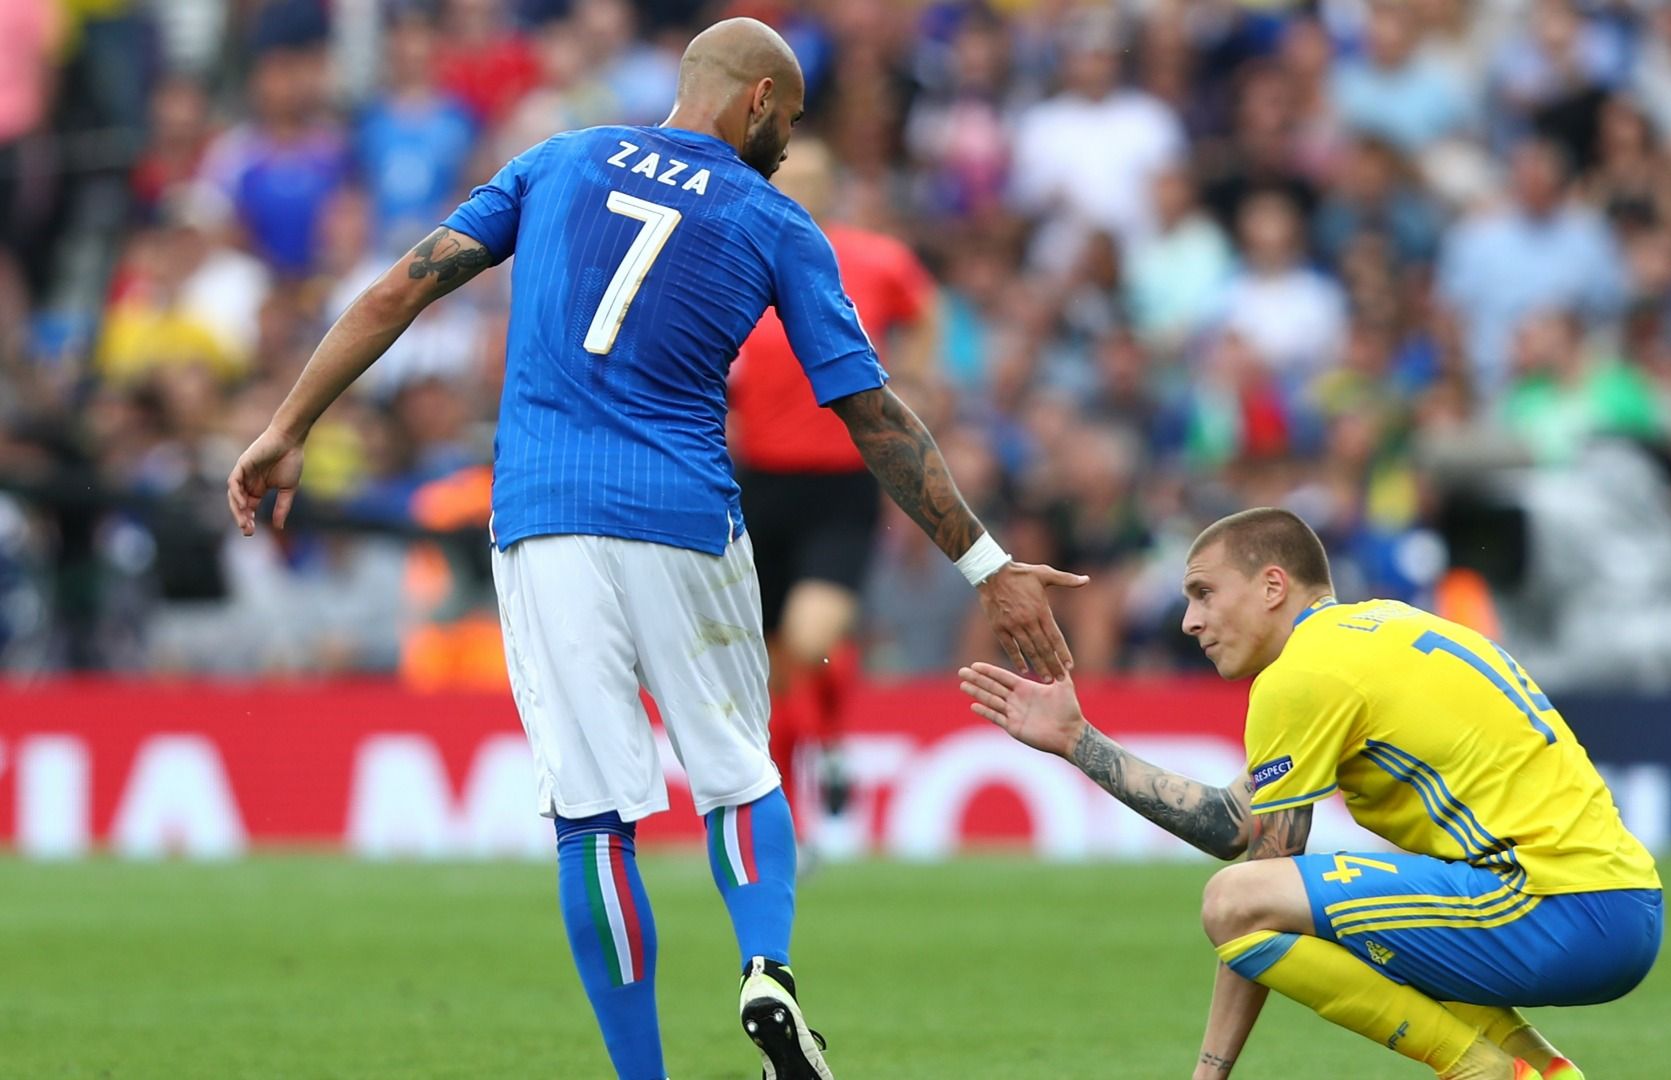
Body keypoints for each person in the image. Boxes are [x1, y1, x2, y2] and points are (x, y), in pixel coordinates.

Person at [226, 18, 1085, 1080]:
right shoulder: (773, 219)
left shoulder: (557, 158)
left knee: (592, 819)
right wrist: (987, 565)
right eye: (792, 120)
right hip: (682, 513)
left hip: (541, 516)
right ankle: (766, 967)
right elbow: (873, 415)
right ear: (762, 99)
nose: (787, 142)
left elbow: (404, 283)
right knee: (737, 775)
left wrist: (288, 425)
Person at [960, 507, 1661, 1080]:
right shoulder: (1382, 629)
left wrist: (1208, 1073)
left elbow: (1251, 884)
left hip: (1551, 907)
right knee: (1353, 917)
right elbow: (1235, 824)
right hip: (1621, 903)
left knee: (1238, 901)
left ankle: (1477, 1070)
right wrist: (1078, 740)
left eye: (1204, 593)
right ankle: (1543, 1071)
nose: (1189, 622)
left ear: (1272, 586)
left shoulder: (1303, 675)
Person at [727, 136, 938, 852]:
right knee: (777, 660)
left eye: (815, 178)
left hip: (843, 479)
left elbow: (922, 311)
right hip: (759, 480)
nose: (802, 190)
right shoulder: (740, 255)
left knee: (812, 639)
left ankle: (835, 746)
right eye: (791, 179)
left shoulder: (874, 259)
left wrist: (908, 384)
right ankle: (793, 823)